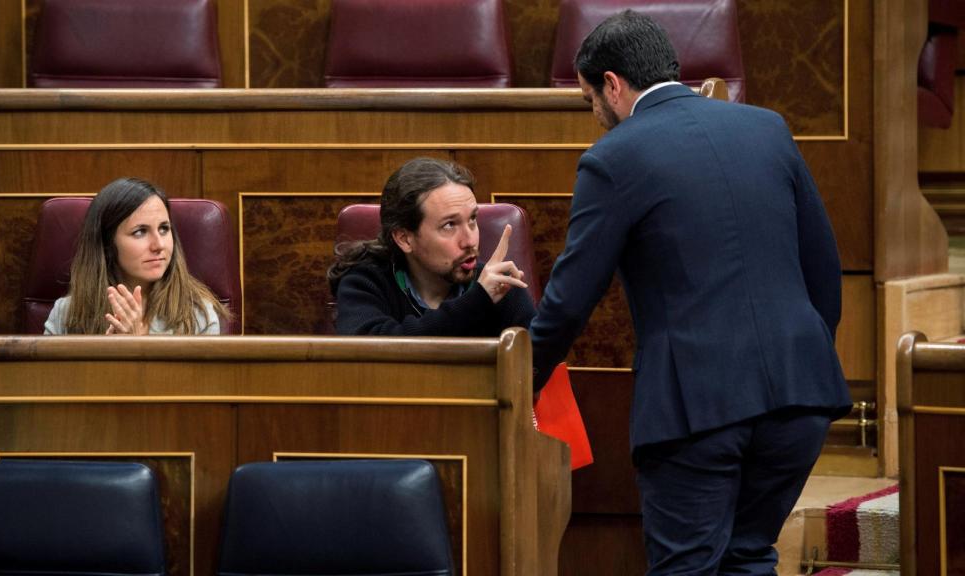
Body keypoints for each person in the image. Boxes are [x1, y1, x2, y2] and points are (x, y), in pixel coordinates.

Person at [527, 11, 852, 575]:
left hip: (697, 405)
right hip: (801, 393)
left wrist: (517, 381)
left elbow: (570, 300)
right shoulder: (766, 127)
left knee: (687, 566)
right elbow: (823, 267)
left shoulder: (614, 158)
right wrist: (805, 351)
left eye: (588, 101)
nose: (595, 117)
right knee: (748, 557)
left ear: (612, 84)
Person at [329, 157, 534, 336]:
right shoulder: (366, 282)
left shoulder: (500, 288)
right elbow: (375, 354)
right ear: (405, 239)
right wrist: (476, 302)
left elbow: (535, 368)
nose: (470, 241)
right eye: (449, 225)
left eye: (472, 219)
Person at [44, 177, 228, 335]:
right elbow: (51, 377)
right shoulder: (65, 313)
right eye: (140, 232)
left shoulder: (198, 315)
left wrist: (138, 347)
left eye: (164, 229)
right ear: (107, 244)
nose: (159, 245)